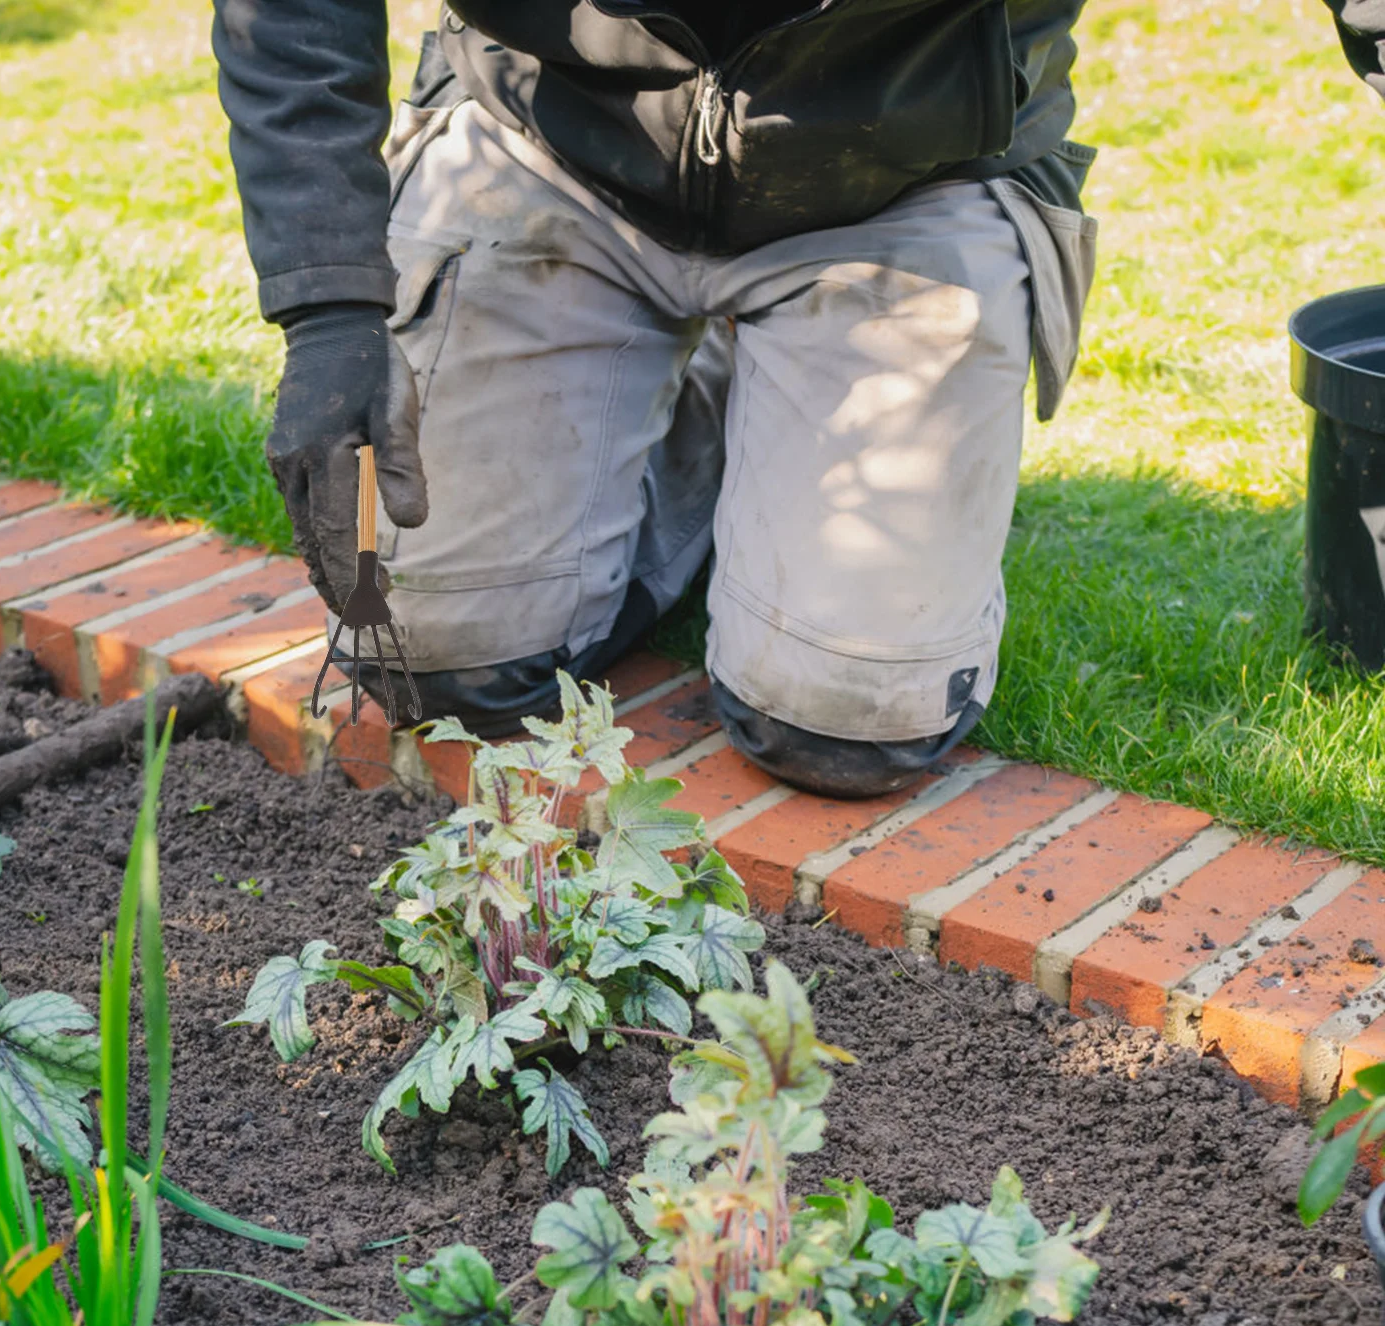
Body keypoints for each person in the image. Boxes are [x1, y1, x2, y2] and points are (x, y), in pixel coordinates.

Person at [212, 1, 1099, 798]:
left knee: (842, 723)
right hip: (550, 134)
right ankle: (720, 405)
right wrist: (330, 312)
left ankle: (777, 379)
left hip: (904, 167)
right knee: (434, 665)